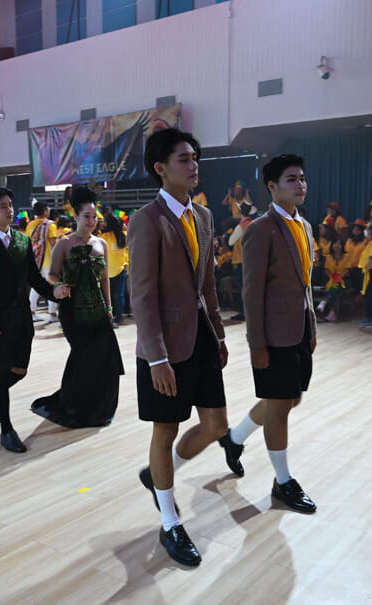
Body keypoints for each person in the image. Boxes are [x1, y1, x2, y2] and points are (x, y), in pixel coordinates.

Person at [128, 128, 239, 567]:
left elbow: (207, 283)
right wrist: (156, 356)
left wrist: (219, 333)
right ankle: (170, 520)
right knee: (165, 430)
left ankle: (158, 473)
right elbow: (142, 295)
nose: (194, 166)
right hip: (165, 349)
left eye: (195, 158)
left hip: (203, 339)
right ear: (161, 168)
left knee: (216, 425)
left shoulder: (204, 216)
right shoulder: (147, 220)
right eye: (184, 159)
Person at [223, 154, 318, 515]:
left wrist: (311, 325)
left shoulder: (305, 226)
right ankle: (283, 481)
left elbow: (305, 283)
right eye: (292, 179)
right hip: (273, 336)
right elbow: (251, 292)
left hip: (299, 329)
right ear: (272, 187)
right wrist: (256, 343)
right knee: (279, 406)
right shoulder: (261, 229)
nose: (300, 184)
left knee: (290, 400)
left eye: (302, 178)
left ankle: (234, 438)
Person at [0, 187, 70, 453]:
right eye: (4, 206)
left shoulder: (22, 241)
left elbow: (34, 279)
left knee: (19, 371)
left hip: (22, 320)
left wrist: (54, 292)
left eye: (11, 205)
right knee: (1, 374)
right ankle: (7, 430)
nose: (10, 210)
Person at [31, 187, 124, 427]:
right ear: (76, 216)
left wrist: (109, 307)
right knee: (83, 357)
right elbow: (52, 274)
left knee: (106, 357)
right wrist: (58, 285)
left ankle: (101, 407)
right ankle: (75, 404)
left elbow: (104, 279)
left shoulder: (101, 244)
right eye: (86, 216)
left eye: (94, 217)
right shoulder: (63, 244)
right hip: (72, 310)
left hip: (98, 308)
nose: (92, 221)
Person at [27, 202, 59, 322]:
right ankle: (52, 314)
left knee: (36, 287)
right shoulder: (50, 224)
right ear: (45, 210)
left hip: (35, 261)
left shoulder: (30, 225)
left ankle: (32, 312)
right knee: (52, 286)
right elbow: (54, 244)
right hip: (48, 261)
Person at [101, 212, 128, 328]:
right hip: (121, 268)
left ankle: (108, 318)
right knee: (120, 295)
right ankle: (117, 319)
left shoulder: (104, 237)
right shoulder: (125, 235)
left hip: (107, 271)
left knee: (107, 296)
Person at [228, 202, 254, 321]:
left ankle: (243, 313)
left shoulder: (240, 226)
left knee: (242, 287)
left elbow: (231, 242)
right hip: (252, 260)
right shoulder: (254, 224)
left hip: (241, 260)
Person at [316, 238, 350, 322]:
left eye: (339, 243)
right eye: (335, 243)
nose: (337, 245)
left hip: (343, 280)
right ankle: (332, 313)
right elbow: (326, 270)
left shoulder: (346, 257)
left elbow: (347, 270)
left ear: (342, 246)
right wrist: (332, 277)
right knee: (334, 287)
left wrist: (339, 277)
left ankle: (324, 301)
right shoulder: (329, 257)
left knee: (335, 284)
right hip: (330, 279)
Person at [345, 218, 368, 291]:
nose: (356, 230)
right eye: (354, 228)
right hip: (348, 268)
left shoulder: (365, 241)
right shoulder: (349, 240)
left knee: (358, 288)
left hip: (359, 268)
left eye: (358, 229)